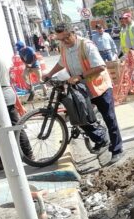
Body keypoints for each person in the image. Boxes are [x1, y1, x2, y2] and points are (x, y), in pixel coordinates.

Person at [43, 24, 124, 164]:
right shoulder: (63, 47)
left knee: (110, 119)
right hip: (81, 89)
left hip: (99, 88)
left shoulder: (86, 45)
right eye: (61, 39)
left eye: (67, 38)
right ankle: (100, 139)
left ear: (73, 33)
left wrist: (79, 76)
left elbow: (100, 66)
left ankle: (117, 150)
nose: (64, 42)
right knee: (78, 115)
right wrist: (49, 74)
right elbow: (61, 62)